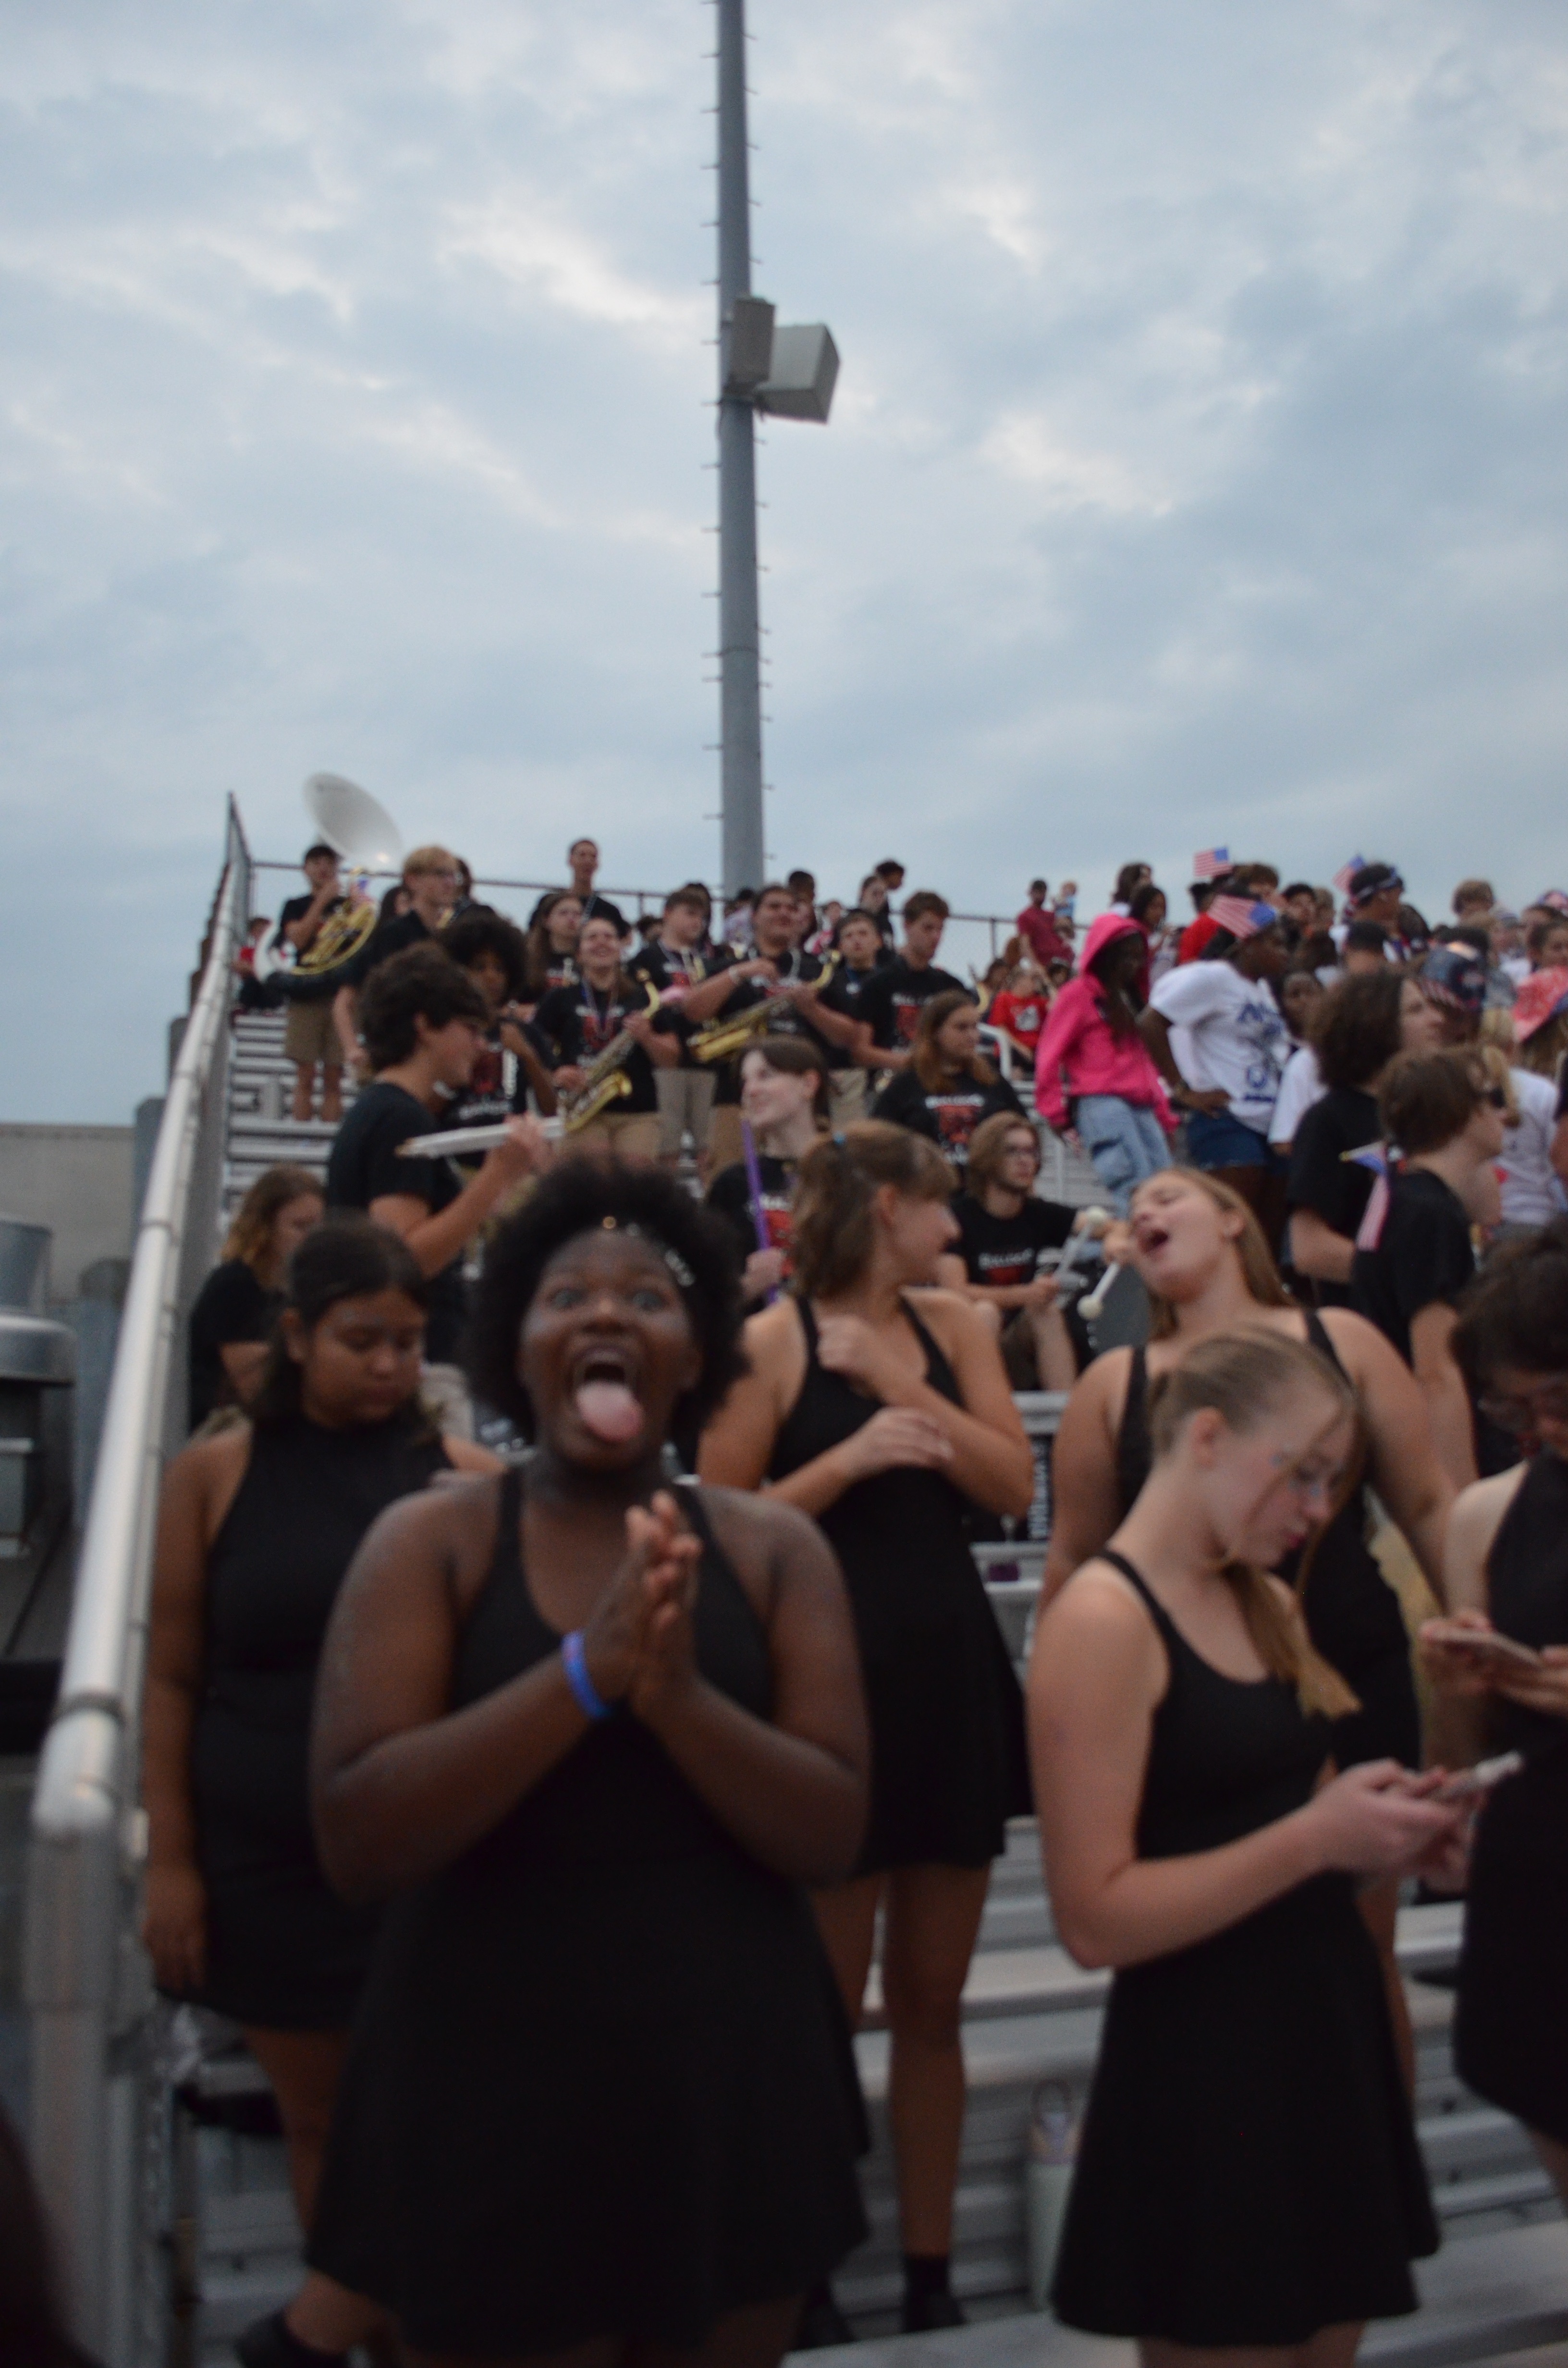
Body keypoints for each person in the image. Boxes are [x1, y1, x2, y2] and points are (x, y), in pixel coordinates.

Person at [303, 1160, 870, 2362]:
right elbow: (357, 1838)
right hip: (480, 2091)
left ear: (698, 1355)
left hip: (727, 2087)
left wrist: (673, 1701)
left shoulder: (776, 1553)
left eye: (650, 1299)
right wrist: (581, 1680)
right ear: (516, 1345)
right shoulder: (430, 1540)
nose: (608, 1313)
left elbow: (830, 1833)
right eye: (568, 1298)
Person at [1031, 1328, 1455, 2357]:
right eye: (1302, 1473)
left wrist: (1395, 1839)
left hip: (1323, 2030)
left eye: (1331, 1480)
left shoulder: (1263, 1596)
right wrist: (1319, 1838)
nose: (1320, 1511)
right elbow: (1094, 1917)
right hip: (1206, 2064)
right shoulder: (1102, 1619)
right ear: (1208, 1437)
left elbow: (1303, 1818)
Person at [143, 1218, 499, 2368]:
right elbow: (171, 1675)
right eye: (362, 1342)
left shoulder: (464, 1480)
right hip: (270, 1864)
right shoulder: (214, 1474)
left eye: (406, 1344)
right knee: (321, 2125)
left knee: (435, 2125)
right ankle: (367, 2344)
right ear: (296, 1337)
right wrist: (173, 1861)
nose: (391, 1367)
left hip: (426, 1860)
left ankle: (402, 2337)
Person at [699, 1122, 1034, 2336]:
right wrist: (846, 1465)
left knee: (935, 2000)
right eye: (941, 1209)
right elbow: (722, 1532)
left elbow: (1012, 1488)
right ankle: (810, 2270)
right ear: (887, 1207)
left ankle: (933, 2275)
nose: (957, 1230)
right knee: (819, 2015)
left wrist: (899, 1391)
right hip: (819, 1699)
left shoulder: (953, 1330)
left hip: (946, 1678)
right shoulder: (766, 1343)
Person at [1042, 1163, 1454, 2076]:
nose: (1143, 1210)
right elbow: (1072, 1556)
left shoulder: (1336, 1334)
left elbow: (1425, 1503)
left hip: (1344, 1666)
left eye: (1167, 1194)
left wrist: (1477, 1641)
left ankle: (1368, 2151)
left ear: (1233, 1220)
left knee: (1355, 1950)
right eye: (1134, 1204)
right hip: (1183, 1705)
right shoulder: (1116, 1379)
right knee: (1211, 1949)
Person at [1420, 1224, 1568, 2210]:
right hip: (1543, 1879)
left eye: (1557, 1396)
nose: (1546, 1427)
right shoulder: (1489, 1513)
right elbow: (1467, 1749)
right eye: (1522, 1407)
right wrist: (1462, 1679)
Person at [325, 946, 544, 1421]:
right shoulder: (399, 1117)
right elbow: (403, 1257)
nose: (480, 1045)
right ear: (424, 1026)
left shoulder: (384, 1112)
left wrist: (498, 1187)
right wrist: (494, 1177)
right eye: (469, 1029)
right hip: (416, 1370)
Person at [1353, 1048, 1507, 1489]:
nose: (1504, 1111)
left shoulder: (1410, 1193)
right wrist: (1461, 1496)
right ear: (1461, 1113)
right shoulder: (1429, 1215)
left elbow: (1489, 1209)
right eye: (1492, 1097)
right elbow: (1436, 1371)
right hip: (1430, 1446)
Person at [1287, 969, 1446, 1304]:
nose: (1437, 1020)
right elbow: (1310, 1248)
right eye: (1416, 1011)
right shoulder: (1329, 1121)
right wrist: (1405, 1276)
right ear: (1375, 1025)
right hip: (1369, 1321)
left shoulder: (1429, 1113)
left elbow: (1486, 1209)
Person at [1142, 900, 1290, 1239]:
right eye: (1276, 943)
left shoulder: (1264, 990)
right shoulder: (1213, 978)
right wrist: (1183, 1090)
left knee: (1264, 1238)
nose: (1285, 953)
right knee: (1230, 1232)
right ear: (1249, 943)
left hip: (1269, 1120)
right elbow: (1150, 1022)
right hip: (1229, 1118)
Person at [673, 883, 845, 1173]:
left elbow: (846, 1036)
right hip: (736, 1097)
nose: (784, 914)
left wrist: (813, 1010)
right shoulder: (727, 965)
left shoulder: (821, 969)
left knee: (815, 1186)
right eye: (774, 907)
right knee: (730, 1182)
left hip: (805, 1098)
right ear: (753, 916)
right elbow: (693, 1010)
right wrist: (739, 974)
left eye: (792, 909)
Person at [1035, 915, 1176, 1215]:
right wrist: (1054, 1111)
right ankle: (1127, 1259)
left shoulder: (1129, 999)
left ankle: (1126, 1258)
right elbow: (1049, 1053)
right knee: (1138, 1197)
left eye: (1139, 958)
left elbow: (1145, 1065)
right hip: (1102, 1105)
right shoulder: (1077, 994)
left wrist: (1164, 1115)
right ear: (1105, 954)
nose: (1133, 965)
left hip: (1140, 1107)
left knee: (1165, 1192)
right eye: (1125, 956)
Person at [936, 1112, 1079, 1389]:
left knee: (1046, 1312)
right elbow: (954, 1291)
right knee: (985, 1312)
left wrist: (1115, 1241)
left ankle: (1065, 1420)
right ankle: (979, 1417)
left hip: (1014, 1346)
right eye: (1012, 1151)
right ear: (988, 1157)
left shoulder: (1037, 1213)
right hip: (958, 1346)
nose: (1025, 1160)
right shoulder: (955, 1217)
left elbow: (1100, 1225)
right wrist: (1023, 1295)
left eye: (1031, 1151)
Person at [187, 1167, 324, 1431]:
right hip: (228, 1430)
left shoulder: (299, 1288)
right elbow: (256, 1386)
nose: (313, 1238)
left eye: (319, 1226)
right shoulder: (235, 1284)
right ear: (267, 1228)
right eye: (300, 1227)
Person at [531, 914, 676, 1160]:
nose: (602, 943)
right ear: (579, 954)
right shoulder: (560, 998)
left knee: (634, 1187)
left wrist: (648, 1037)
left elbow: (671, 1058)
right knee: (589, 1186)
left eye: (609, 937)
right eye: (592, 938)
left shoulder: (643, 999)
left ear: (621, 949)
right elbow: (533, 1044)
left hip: (638, 1111)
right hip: (583, 1108)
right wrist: (557, 1071)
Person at [706, 1037, 828, 1306]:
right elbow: (705, 1303)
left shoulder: (850, 1172)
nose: (750, 1090)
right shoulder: (731, 1185)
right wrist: (750, 1285)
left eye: (765, 1076)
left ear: (809, 1084)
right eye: (745, 1081)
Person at [871, 990, 1026, 1178]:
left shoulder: (993, 1082)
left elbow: (1022, 1136)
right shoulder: (905, 1086)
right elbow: (879, 1148)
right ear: (935, 1032)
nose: (973, 1036)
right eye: (962, 1028)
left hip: (983, 1196)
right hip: (926, 1195)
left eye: (975, 1027)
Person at [333, 846, 462, 1069]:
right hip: (399, 1057)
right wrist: (353, 1049)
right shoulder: (396, 934)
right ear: (413, 881)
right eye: (441, 874)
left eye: (453, 876)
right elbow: (344, 1001)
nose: (450, 883)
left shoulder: (445, 939)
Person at [440, 905, 557, 1135]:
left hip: (515, 1155)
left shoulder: (525, 1033)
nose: (491, 976)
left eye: (500, 969)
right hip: (454, 1157)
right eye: (480, 967)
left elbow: (552, 1110)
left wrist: (527, 1055)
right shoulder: (444, 1032)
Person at [631, 887, 724, 1170]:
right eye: (690, 914)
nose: (697, 922)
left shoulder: (709, 961)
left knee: (710, 1148)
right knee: (666, 1147)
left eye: (703, 917)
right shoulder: (646, 959)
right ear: (667, 914)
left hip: (706, 1059)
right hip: (664, 1063)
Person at [849, 892, 971, 1072]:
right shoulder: (878, 983)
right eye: (928, 928)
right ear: (907, 927)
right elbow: (860, 1051)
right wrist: (915, 1064)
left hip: (938, 1084)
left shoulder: (950, 986)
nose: (936, 937)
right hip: (890, 1082)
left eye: (940, 929)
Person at [274, 844, 348, 1122]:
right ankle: (300, 1139)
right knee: (305, 1074)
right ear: (305, 869)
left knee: (334, 1077)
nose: (323, 867)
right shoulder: (294, 906)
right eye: (315, 862)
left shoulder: (348, 907)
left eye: (328, 862)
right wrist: (321, 901)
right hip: (307, 993)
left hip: (340, 995)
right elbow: (299, 939)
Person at [1267, 966, 1327, 1158]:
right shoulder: (1283, 1053)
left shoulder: (1338, 1048)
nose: (1304, 1001)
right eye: (1295, 995)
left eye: (1310, 993)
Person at [527, 838, 628, 939]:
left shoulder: (609, 910)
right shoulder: (550, 902)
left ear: (597, 864)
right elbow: (533, 933)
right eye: (582, 855)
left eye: (593, 857)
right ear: (571, 860)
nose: (588, 861)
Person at [521, 890, 583, 1007]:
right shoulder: (528, 959)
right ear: (547, 920)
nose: (571, 919)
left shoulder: (588, 960)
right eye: (563, 913)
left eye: (577, 914)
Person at [1017, 880, 1071, 970]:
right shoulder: (1026, 916)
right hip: (1043, 964)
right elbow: (1025, 944)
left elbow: (1069, 935)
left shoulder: (1052, 916)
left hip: (1061, 963)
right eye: (1037, 892)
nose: (1040, 895)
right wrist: (1036, 965)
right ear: (1030, 893)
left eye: (1043, 892)